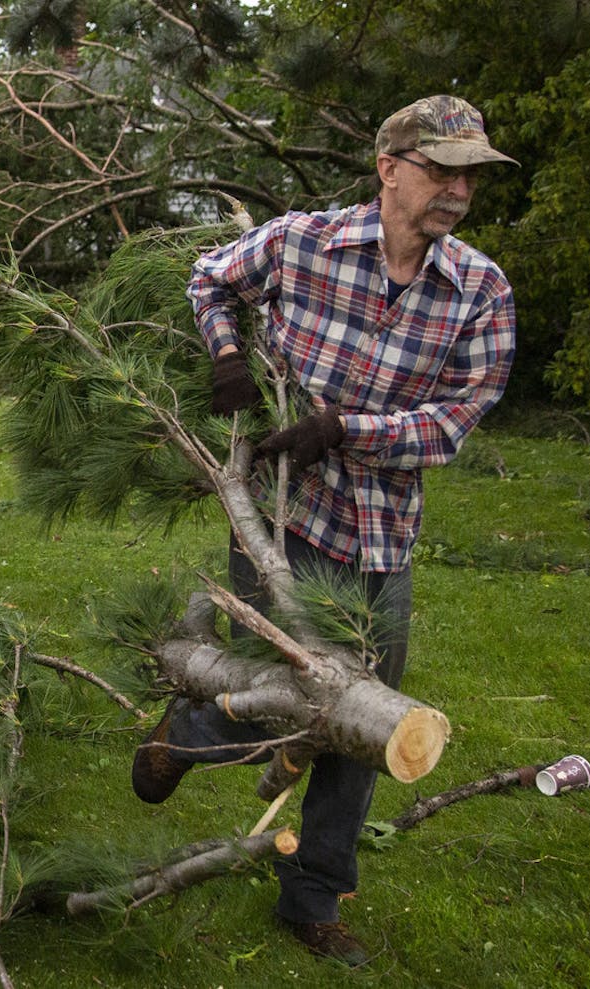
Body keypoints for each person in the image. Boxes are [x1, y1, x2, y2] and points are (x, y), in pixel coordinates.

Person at [130, 95, 518, 966]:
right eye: (442, 170)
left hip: (382, 538)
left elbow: (454, 422)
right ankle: (187, 732)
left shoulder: (481, 291)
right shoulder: (303, 243)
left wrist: (345, 429)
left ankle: (312, 897)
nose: (458, 190)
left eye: (470, 176)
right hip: (285, 519)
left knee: (365, 724)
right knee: (267, 702)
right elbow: (209, 278)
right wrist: (227, 353)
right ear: (390, 168)